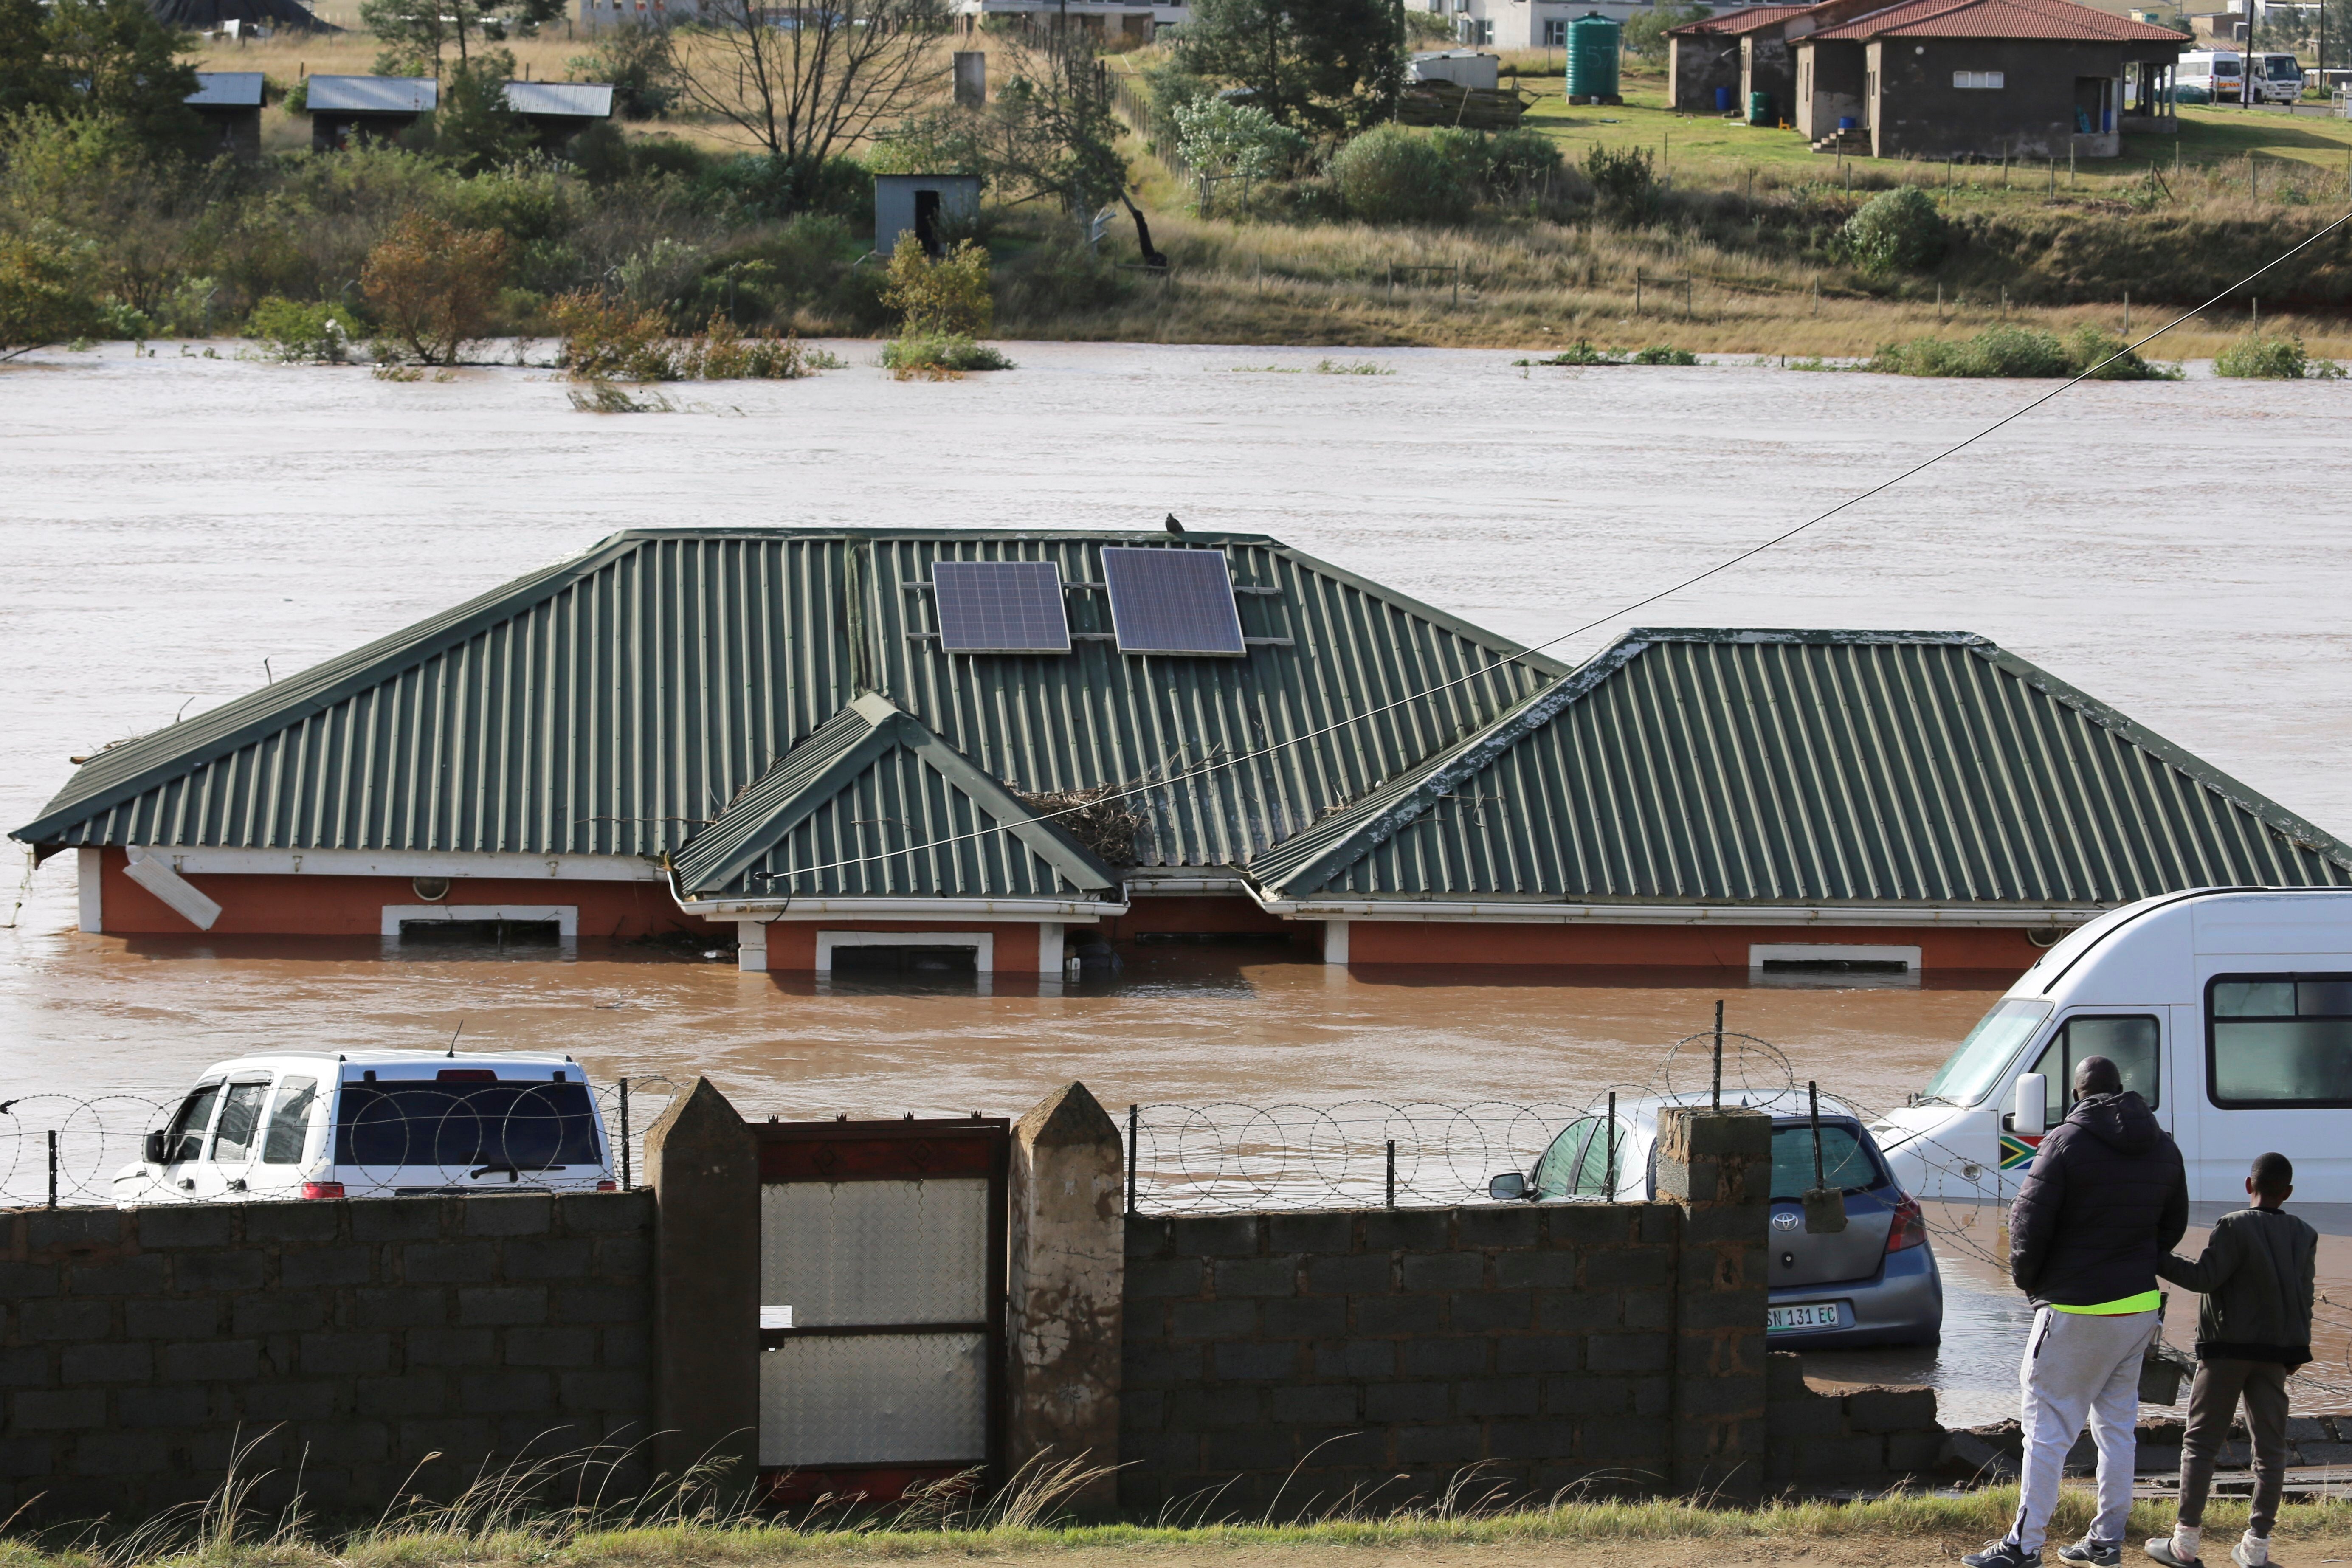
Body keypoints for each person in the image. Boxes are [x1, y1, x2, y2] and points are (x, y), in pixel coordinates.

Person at [1966, 1055, 2188, 1568]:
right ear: (2121, 1088)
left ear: (2076, 1095)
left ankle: (2024, 1546)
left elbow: (2026, 1223)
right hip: (2137, 1307)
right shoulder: (2163, 1145)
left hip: (2073, 1306)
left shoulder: (2064, 1142)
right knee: (2117, 1427)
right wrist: (2130, 1259)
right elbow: (2171, 1227)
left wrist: (2032, 1285)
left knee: (2045, 1428)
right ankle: (2106, 1540)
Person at [2144, 1152, 2317, 1568]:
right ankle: (2255, 1548)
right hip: (2277, 1356)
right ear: (2288, 1193)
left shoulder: (2232, 1225)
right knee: (2271, 1452)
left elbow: (2204, 1278)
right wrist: (2295, 1351)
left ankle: (2184, 1544)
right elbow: (2304, 1297)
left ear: (2248, 1186)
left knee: (2201, 1444)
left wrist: (2151, 1254)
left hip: (2225, 1352)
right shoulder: (2304, 1234)